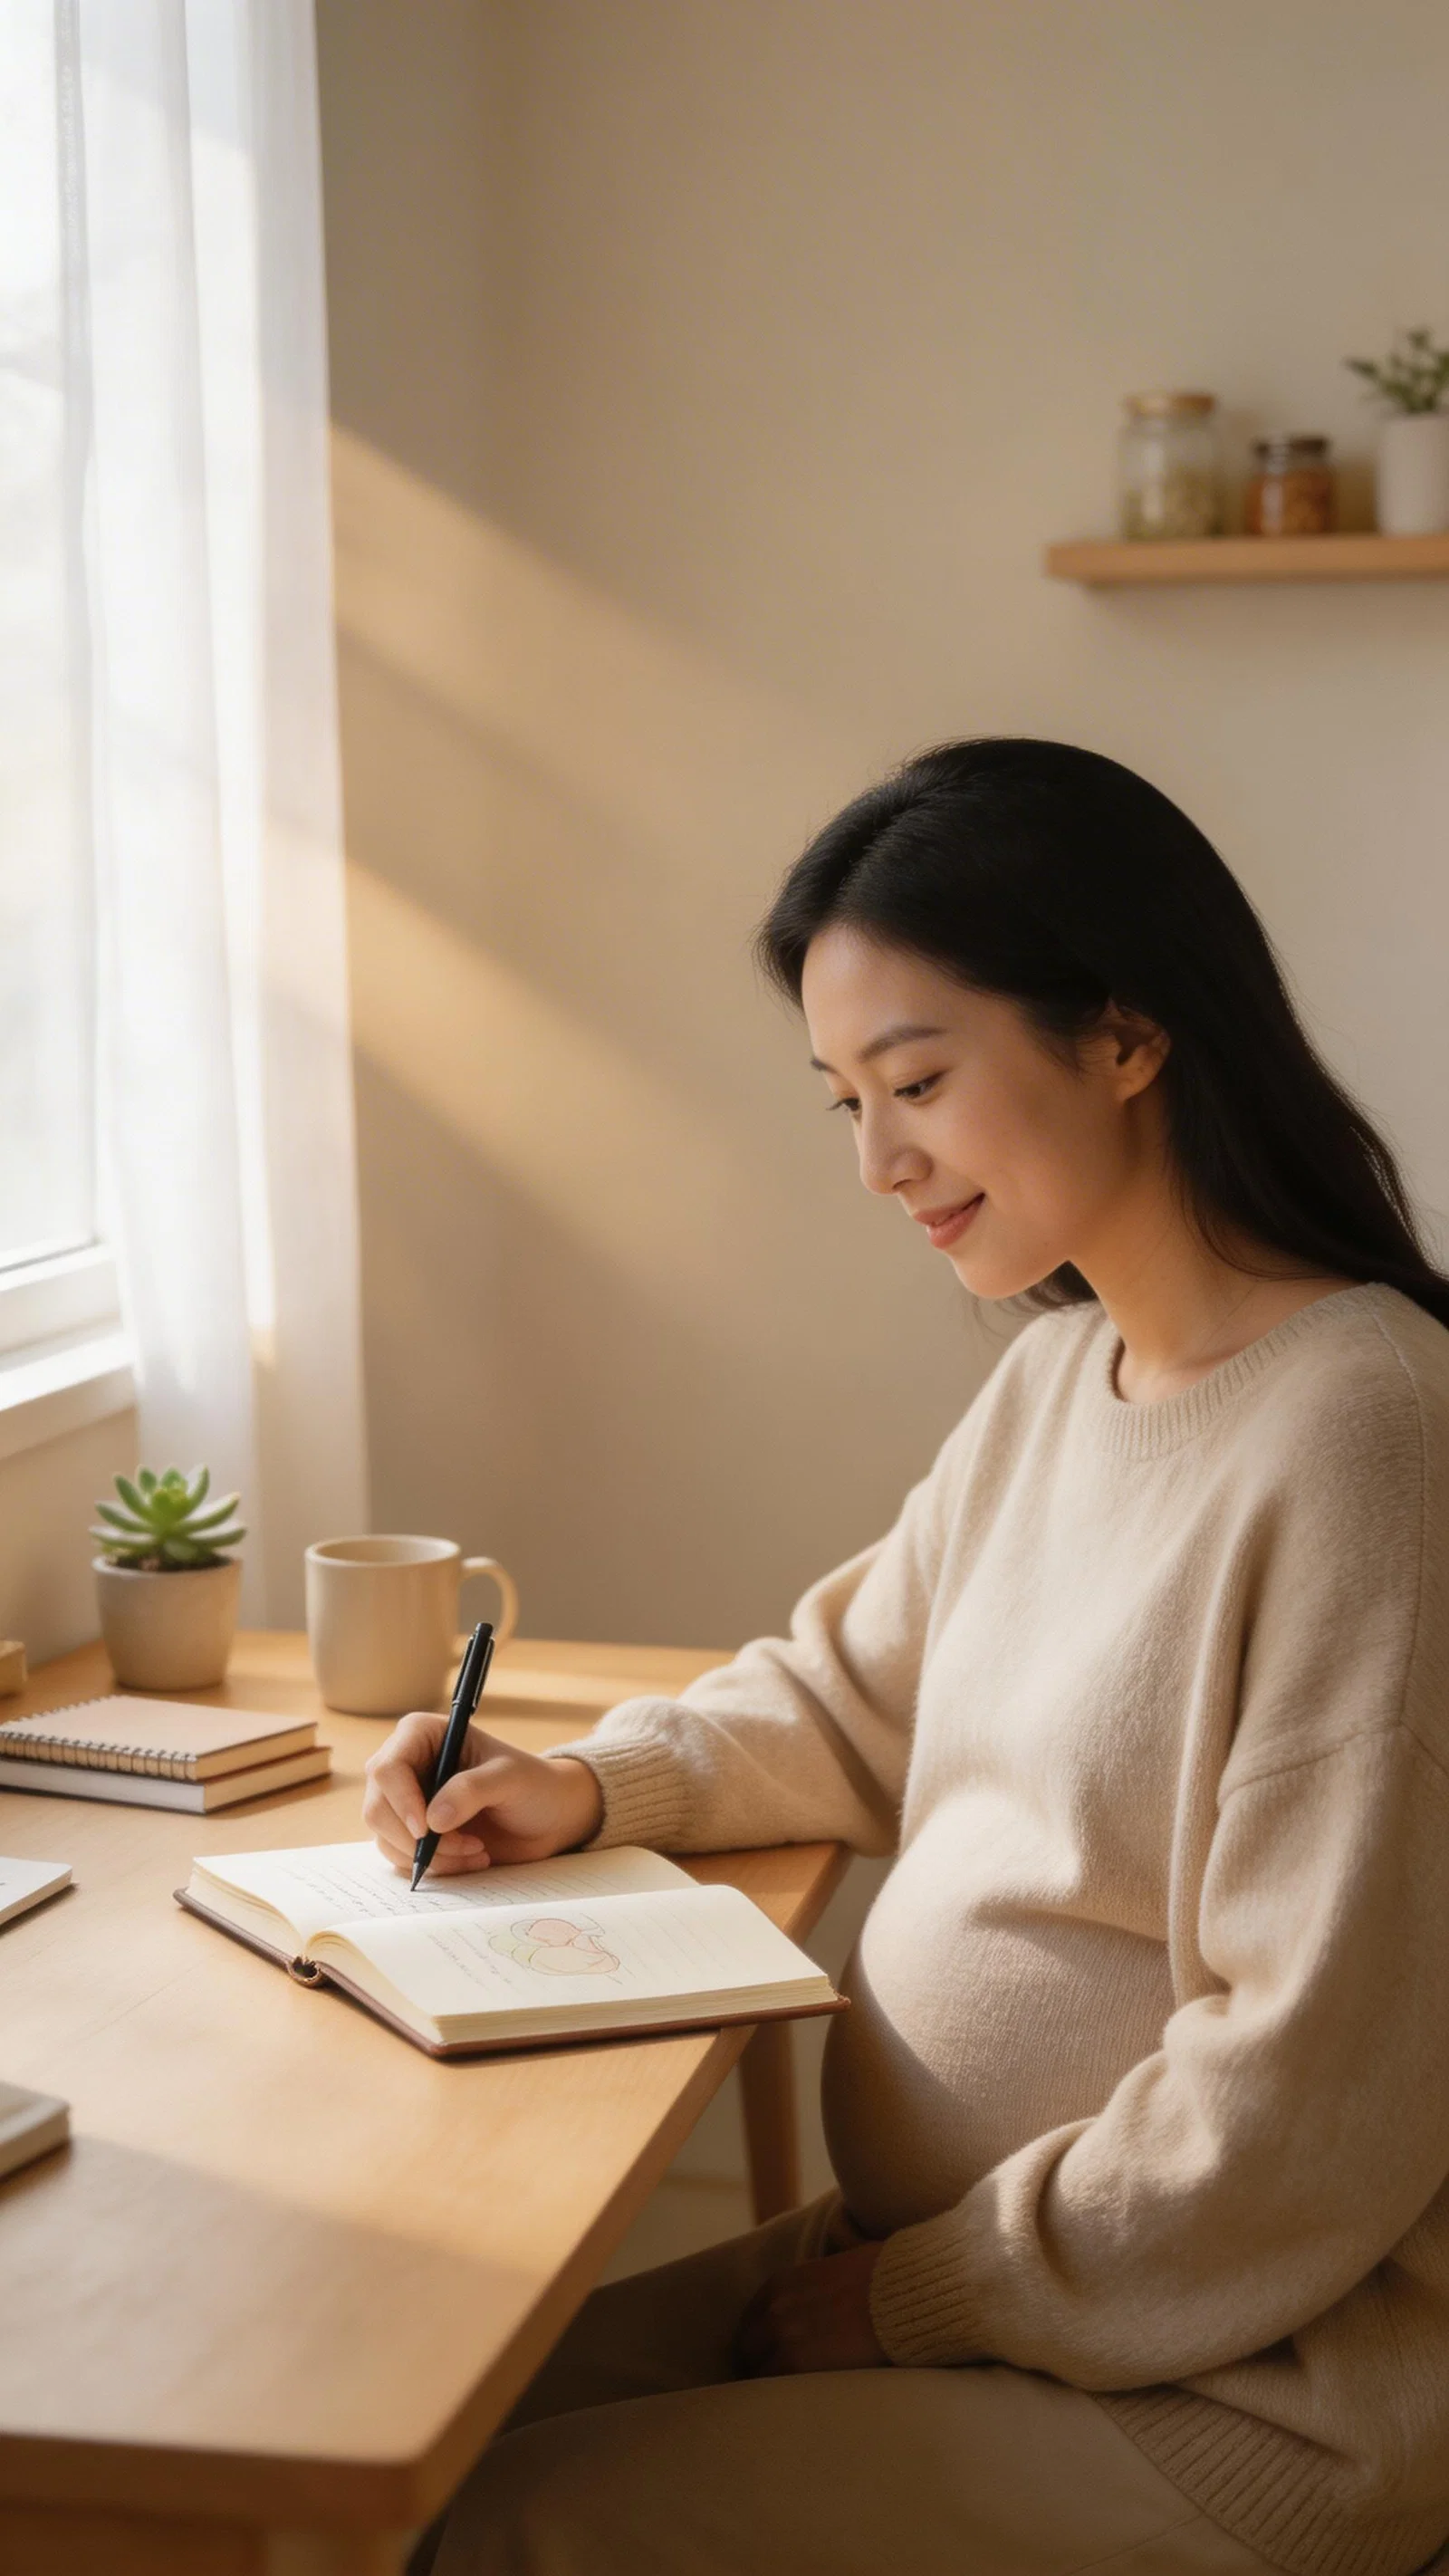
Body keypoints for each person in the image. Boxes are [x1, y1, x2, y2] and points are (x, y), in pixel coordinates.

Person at [366, 739, 1449, 2576]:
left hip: (1239, 2388)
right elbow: (844, 1693)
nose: (876, 1164)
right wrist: (580, 1783)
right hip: (999, 2300)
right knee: (412, 2413)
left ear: (1122, 1035)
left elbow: (1297, 2113)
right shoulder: (1057, 1378)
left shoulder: (1358, 1439)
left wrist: (916, 2297)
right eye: (840, 1101)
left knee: (498, 2521)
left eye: (918, 1083)